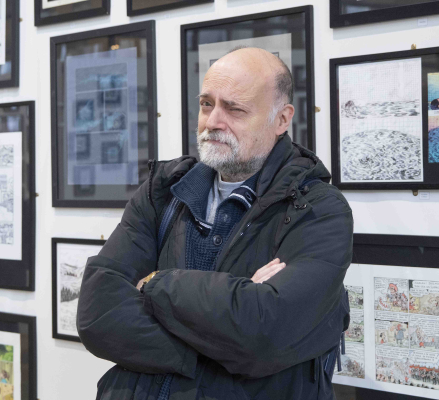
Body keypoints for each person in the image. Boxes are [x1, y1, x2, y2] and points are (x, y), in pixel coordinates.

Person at [77, 47, 353, 400]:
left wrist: (155, 284)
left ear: (282, 119)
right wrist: (220, 336)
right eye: (207, 104)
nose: (212, 122)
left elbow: (265, 332)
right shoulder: (162, 191)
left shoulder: (317, 209)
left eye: (235, 109)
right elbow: (97, 315)